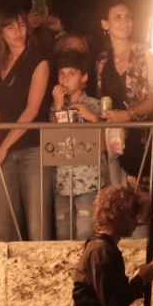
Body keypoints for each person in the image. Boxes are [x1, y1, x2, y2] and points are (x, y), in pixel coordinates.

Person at [0, 6, 52, 241]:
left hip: (32, 147)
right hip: (3, 147)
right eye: (11, 27)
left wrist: (3, 148)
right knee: (5, 222)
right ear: (1, 32)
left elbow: (31, 110)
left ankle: (42, 264)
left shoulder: (38, 61)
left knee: (37, 223)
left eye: (22, 25)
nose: (18, 31)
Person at [93, 0, 153, 191]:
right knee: (116, 198)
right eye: (117, 17)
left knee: (142, 198)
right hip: (113, 140)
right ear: (105, 24)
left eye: (128, 17)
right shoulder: (102, 59)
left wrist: (129, 114)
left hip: (142, 136)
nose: (124, 22)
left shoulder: (146, 53)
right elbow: (100, 100)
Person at [48, 53, 106, 240]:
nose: (65, 79)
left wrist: (93, 119)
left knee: (85, 234)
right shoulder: (55, 108)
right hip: (62, 182)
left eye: (71, 74)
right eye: (61, 74)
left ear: (84, 77)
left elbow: (107, 145)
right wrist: (58, 108)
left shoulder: (95, 106)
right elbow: (53, 143)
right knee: (63, 236)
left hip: (89, 182)